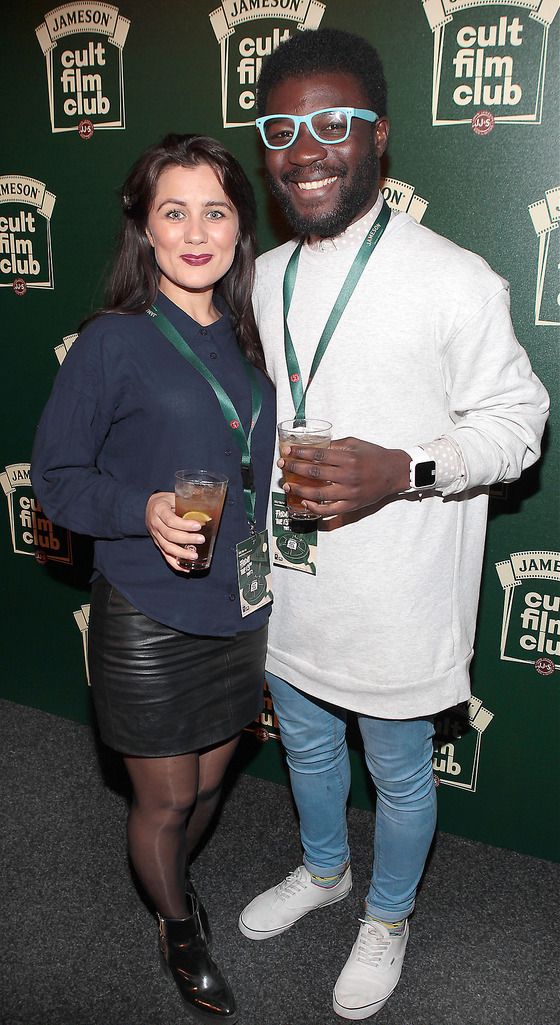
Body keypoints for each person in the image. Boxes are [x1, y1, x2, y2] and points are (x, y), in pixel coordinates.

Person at [237, 27, 550, 1020]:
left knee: (400, 772)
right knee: (309, 745)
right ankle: (325, 869)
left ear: (378, 135)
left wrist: (402, 469)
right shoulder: (261, 275)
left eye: (332, 121)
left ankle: (388, 910)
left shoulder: (454, 278)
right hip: (294, 583)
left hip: (400, 592)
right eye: (281, 126)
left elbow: (517, 426)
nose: (305, 147)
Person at [31, 133, 276, 1024]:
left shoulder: (251, 340)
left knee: (211, 784)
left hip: (236, 600)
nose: (197, 230)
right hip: (147, 604)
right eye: (174, 210)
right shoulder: (113, 342)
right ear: (144, 225)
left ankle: (174, 877)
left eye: (216, 210)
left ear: (240, 226)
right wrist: (144, 510)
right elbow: (53, 481)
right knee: (165, 794)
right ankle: (178, 924)